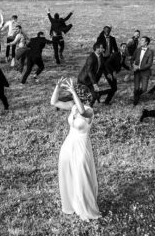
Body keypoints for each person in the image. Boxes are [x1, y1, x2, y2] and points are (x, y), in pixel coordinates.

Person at [51, 77, 101, 221]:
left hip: (81, 147)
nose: (73, 96)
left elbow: (82, 110)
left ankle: (84, 206)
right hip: (68, 145)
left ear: (83, 97)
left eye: (76, 94)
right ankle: (71, 203)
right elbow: (54, 102)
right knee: (68, 173)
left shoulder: (89, 111)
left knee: (81, 175)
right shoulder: (72, 106)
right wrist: (57, 87)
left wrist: (73, 91)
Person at [77, 42, 112, 107]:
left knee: (95, 95)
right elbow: (89, 72)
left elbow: (104, 65)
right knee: (77, 95)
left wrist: (108, 73)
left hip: (91, 80)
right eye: (102, 48)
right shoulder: (91, 58)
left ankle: (89, 107)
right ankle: (60, 101)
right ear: (97, 49)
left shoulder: (100, 55)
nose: (103, 49)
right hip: (84, 80)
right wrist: (94, 83)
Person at [131, 36, 154, 105]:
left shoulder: (150, 52)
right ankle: (135, 100)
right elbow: (132, 59)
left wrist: (139, 67)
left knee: (144, 89)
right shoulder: (137, 49)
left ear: (146, 42)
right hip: (137, 72)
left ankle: (137, 95)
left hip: (145, 72)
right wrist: (133, 65)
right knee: (136, 87)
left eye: (142, 40)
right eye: (141, 40)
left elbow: (149, 64)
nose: (140, 41)